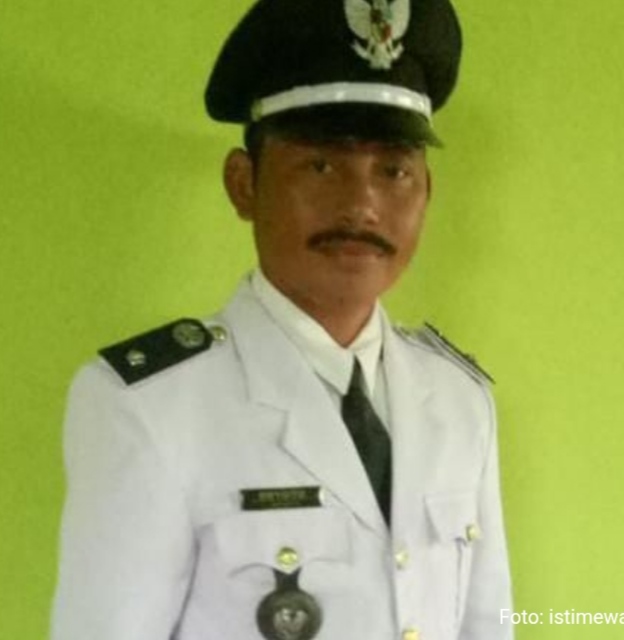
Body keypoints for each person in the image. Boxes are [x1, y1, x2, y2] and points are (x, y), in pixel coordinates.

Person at [51, 0, 514, 638]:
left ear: (427, 192)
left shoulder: (461, 402)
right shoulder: (151, 410)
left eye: (394, 170)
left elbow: (487, 624)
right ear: (244, 184)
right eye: (321, 165)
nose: (363, 205)